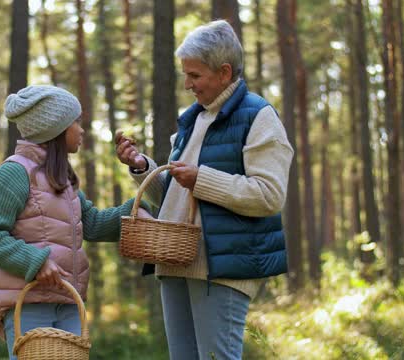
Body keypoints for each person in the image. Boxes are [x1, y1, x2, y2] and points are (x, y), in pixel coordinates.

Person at [115, 20, 294, 360]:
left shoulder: (259, 117)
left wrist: (202, 179)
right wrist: (142, 168)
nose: (187, 85)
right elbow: (177, 197)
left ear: (224, 72)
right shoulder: (193, 120)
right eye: (186, 75)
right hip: (173, 261)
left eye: (195, 76)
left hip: (221, 268)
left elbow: (269, 195)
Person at [0, 85, 151, 360]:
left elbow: (92, 224)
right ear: (54, 129)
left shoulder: (61, 179)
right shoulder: (13, 174)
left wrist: (137, 208)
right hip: (29, 305)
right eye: (75, 122)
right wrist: (36, 261)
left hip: (69, 302)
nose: (82, 130)